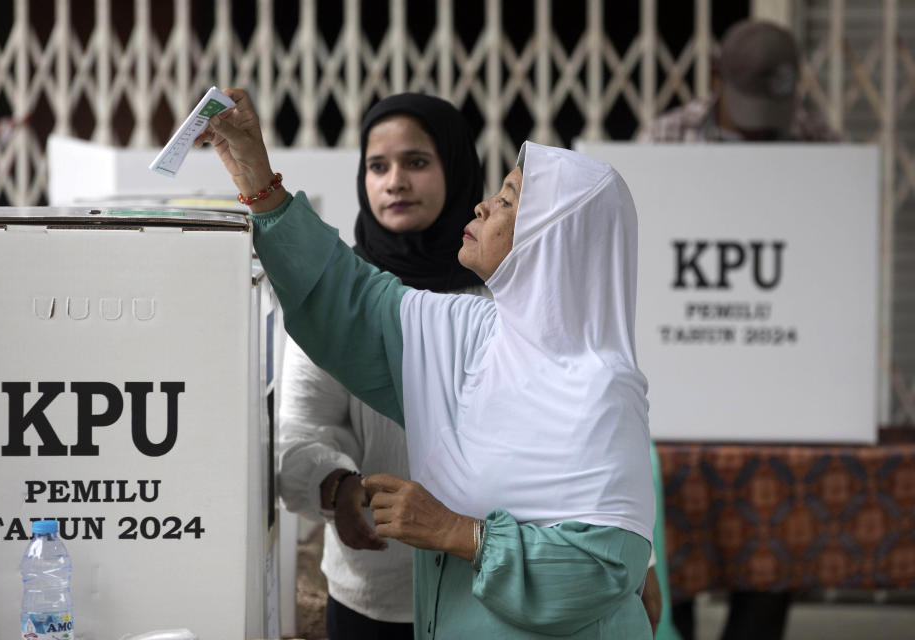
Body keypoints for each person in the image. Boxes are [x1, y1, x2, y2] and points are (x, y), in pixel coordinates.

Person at [198, 88, 656, 637]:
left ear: (552, 239)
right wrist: (257, 177)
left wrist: (459, 534)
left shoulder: (600, 383)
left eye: (508, 201)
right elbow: (352, 300)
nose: (483, 206)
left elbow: (606, 566)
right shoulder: (474, 332)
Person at [639, 19, 841, 640]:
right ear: (715, 79)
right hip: (674, 392)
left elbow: (832, 269)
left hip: (775, 397)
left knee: (771, 551)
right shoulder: (664, 139)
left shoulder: (819, 145)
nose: (758, 123)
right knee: (671, 561)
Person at [277, 93, 487, 639]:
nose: (394, 181)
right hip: (371, 597)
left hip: (492, 589)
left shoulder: (505, 292)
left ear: (457, 168)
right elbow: (298, 432)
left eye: (416, 162)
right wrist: (339, 485)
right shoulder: (340, 301)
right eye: (378, 165)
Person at [638, 19, 839, 143]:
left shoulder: (815, 136)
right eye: (752, 106)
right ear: (716, 79)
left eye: (775, 110)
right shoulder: (666, 137)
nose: (760, 129)